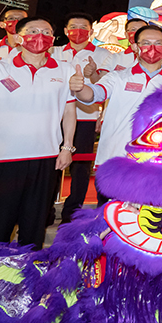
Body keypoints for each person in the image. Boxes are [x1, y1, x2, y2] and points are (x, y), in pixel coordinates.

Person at [0, 16, 76, 248]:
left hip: (45, 159)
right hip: (1, 160)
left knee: (34, 228)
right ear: (19, 37)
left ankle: (27, 276)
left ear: (52, 38)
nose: (39, 35)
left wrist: (67, 147)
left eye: (46, 31)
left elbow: (69, 112)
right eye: (32, 30)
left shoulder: (65, 69)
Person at [69, 25, 162, 207]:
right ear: (135, 47)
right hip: (115, 159)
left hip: (154, 165)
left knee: (145, 223)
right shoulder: (118, 77)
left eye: (158, 43)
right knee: (108, 218)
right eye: (146, 43)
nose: (152, 48)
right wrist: (80, 88)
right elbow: (93, 94)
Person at [55, 13, 109, 224]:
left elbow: (105, 86)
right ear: (66, 31)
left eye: (83, 27)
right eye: (73, 26)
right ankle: (47, 206)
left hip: (86, 115)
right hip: (56, 115)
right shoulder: (55, 52)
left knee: (80, 166)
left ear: (91, 32)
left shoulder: (103, 53)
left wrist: (93, 74)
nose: (78, 31)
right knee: (51, 162)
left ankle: (73, 208)